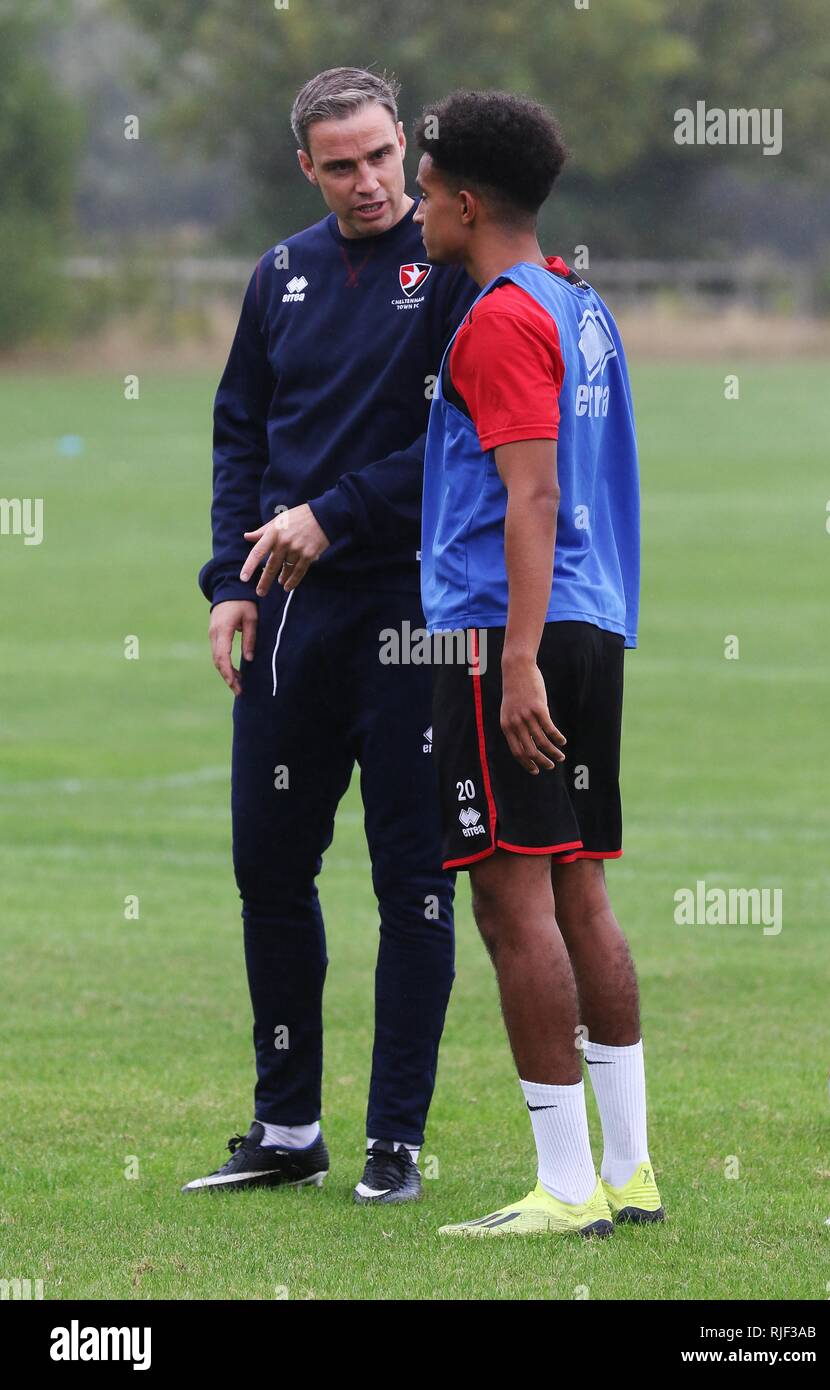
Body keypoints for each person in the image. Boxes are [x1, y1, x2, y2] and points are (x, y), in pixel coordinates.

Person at [183, 68, 476, 1203]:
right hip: (291, 620)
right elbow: (238, 435)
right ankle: (285, 1123)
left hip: (413, 616)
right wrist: (229, 580)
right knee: (268, 866)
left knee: (410, 881)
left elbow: (462, 444)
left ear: (406, 145)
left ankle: (391, 1142)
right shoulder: (281, 274)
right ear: (304, 166)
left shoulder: (452, 271)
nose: (366, 182)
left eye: (380, 157)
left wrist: (333, 513)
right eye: (339, 164)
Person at [413, 89, 664, 1235]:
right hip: (592, 619)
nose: (414, 210)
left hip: (506, 632)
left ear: (466, 204)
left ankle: (565, 1191)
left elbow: (532, 493)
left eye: (422, 190)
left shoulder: (504, 316)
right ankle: (628, 1171)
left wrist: (512, 661)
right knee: (578, 886)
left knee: (510, 899)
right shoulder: (582, 303)